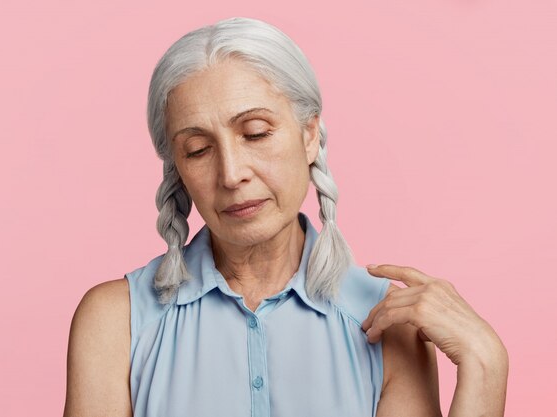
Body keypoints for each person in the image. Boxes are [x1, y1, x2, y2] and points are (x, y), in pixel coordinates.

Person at [63, 17, 508, 417]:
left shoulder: (386, 322)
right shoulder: (114, 322)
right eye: (198, 150)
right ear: (177, 168)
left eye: (255, 133)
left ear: (310, 135)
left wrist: (487, 366)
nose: (232, 174)